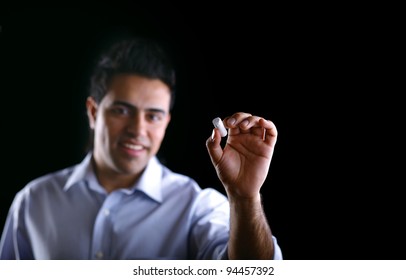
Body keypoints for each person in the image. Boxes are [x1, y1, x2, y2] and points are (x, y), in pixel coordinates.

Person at [0, 37, 283, 260]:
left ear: (166, 122)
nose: (138, 129)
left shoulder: (197, 208)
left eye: (153, 116)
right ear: (93, 112)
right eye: (122, 111)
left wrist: (245, 199)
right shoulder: (32, 203)